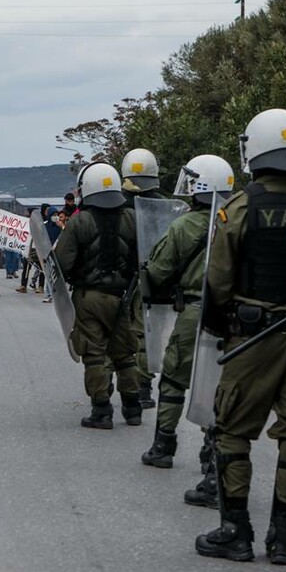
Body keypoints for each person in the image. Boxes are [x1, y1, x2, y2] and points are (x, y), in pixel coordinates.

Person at [195, 109, 286, 565]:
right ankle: (284, 539)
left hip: (255, 336)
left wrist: (221, 327)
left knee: (231, 432)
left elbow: (218, 280)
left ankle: (235, 531)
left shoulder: (241, 207)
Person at [140, 155, 234, 473]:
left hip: (195, 312)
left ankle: (163, 446)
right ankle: (214, 450)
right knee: (220, 383)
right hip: (235, 316)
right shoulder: (238, 222)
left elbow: (158, 271)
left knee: (173, 379)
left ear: (201, 187)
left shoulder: (182, 226)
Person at [55, 163, 141, 430]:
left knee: (94, 353)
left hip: (89, 297)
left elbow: (62, 263)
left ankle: (101, 411)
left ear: (87, 189)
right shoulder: (132, 218)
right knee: (124, 352)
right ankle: (133, 408)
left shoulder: (79, 221)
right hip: (123, 296)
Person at [121, 148, 166, 409]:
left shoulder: (115, 202)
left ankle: (123, 387)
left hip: (121, 278)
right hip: (153, 278)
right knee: (147, 335)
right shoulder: (163, 204)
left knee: (120, 334)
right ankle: (143, 387)